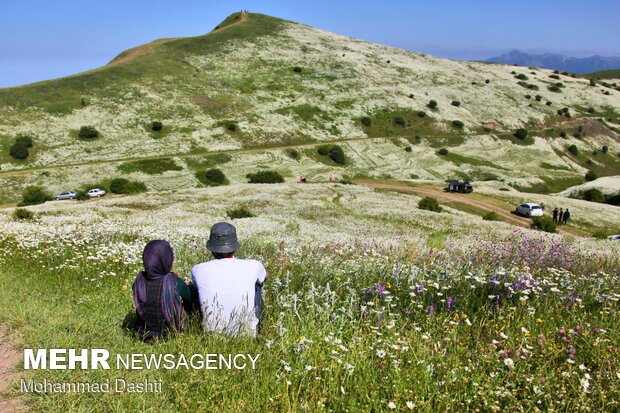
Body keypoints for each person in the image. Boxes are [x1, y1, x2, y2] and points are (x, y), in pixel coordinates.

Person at [192, 222, 269, 337]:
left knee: (195, 288)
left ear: (212, 248)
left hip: (212, 335)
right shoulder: (253, 265)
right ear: (234, 247)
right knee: (258, 283)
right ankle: (256, 326)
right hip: (245, 334)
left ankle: (200, 324)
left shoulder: (198, 269)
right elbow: (266, 276)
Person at [132, 240, 193, 340]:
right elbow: (188, 300)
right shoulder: (175, 282)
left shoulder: (139, 281)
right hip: (169, 335)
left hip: (142, 333)